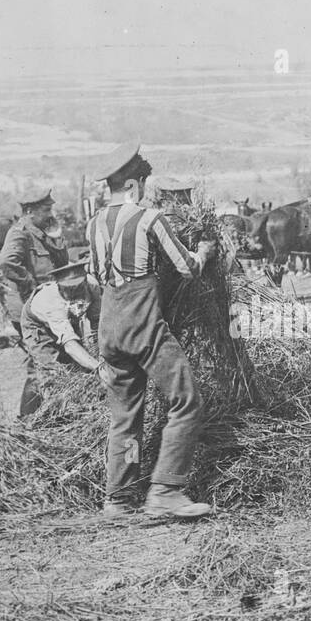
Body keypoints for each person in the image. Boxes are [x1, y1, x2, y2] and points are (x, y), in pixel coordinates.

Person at [85, 141, 216, 521]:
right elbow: (187, 268)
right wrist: (205, 251)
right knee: (187, 399)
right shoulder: (150, 218)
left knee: (125, 415)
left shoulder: (93, 224)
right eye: (143, 182)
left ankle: (119, 499)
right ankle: (166, 490)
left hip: (108, 327)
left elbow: (93, 278)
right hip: (142, 323)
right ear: (132, 186)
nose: (144, 189)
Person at [18, 253, 105, 416]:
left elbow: (97, 322)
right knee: (50, 372)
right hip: (37, 325)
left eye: (78, 287)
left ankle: (76, 408)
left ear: (85, 281)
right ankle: (29, 418)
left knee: (76, 366)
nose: (74, 293)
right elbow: (70, 344)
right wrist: (98, 367)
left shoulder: (93, 286)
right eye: (68, 289)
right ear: (59, 285)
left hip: (65, 320)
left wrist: (102, 354)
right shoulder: (51, 302)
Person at [0, 189, 69, 327]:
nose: (50, 215)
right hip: (28, 308)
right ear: (29, 211)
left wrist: (58, 237)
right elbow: (6, 263)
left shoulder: (43, 232)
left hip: (46, 305)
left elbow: (61, 264)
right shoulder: (20, 233)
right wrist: (32, 286)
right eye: (46, 210)